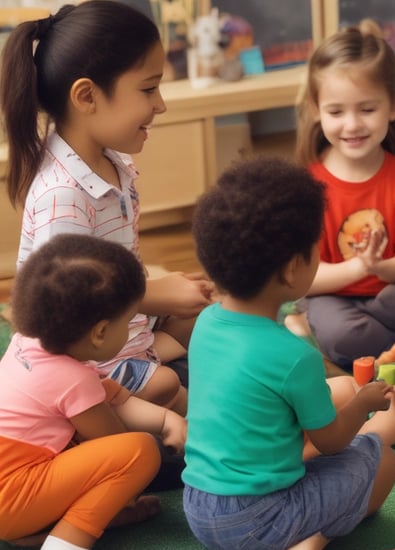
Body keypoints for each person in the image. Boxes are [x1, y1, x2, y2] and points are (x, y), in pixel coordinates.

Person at [0, 1, 214, 415]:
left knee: (209, 312)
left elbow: (120, 264)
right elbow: (71, 315)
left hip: (123, 324)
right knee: (175, 390)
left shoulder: (113, 164)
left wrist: (159, 292)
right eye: (149, 89)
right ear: (86, 96)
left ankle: (159, 359)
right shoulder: (62, 196)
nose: (161, 104)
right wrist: (152, 296)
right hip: (84, 353)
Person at [183, 157, 395, 550]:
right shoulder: (293, 355)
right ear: (290, 270)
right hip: (259, 517)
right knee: (379, 459)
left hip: (199, 509)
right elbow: (332, 441)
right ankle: (306, 537)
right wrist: (363, 402)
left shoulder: (205, 323)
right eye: (316, 248)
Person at [0, 233, 187, 550]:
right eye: (128, 321)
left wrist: (167, 420)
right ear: (100, 332)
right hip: (13, 498)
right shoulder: (72, 380)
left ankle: (37, 530)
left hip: (14, 489)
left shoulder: (27, 343)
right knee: (140, 451)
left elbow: (113, 398)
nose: (130, 329)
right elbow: (114, 442)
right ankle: (65, 541)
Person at [294, 19, 395, 371]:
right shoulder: (307, 183)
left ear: (394, 105)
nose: (352, 125)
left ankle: (388, 341)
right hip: (331, 298)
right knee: (346, 334)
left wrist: (376, 266)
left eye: (367, 109)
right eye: (336, 112)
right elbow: (304, 278)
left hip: (391, 295)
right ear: (316, 110)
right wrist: (358, 267)